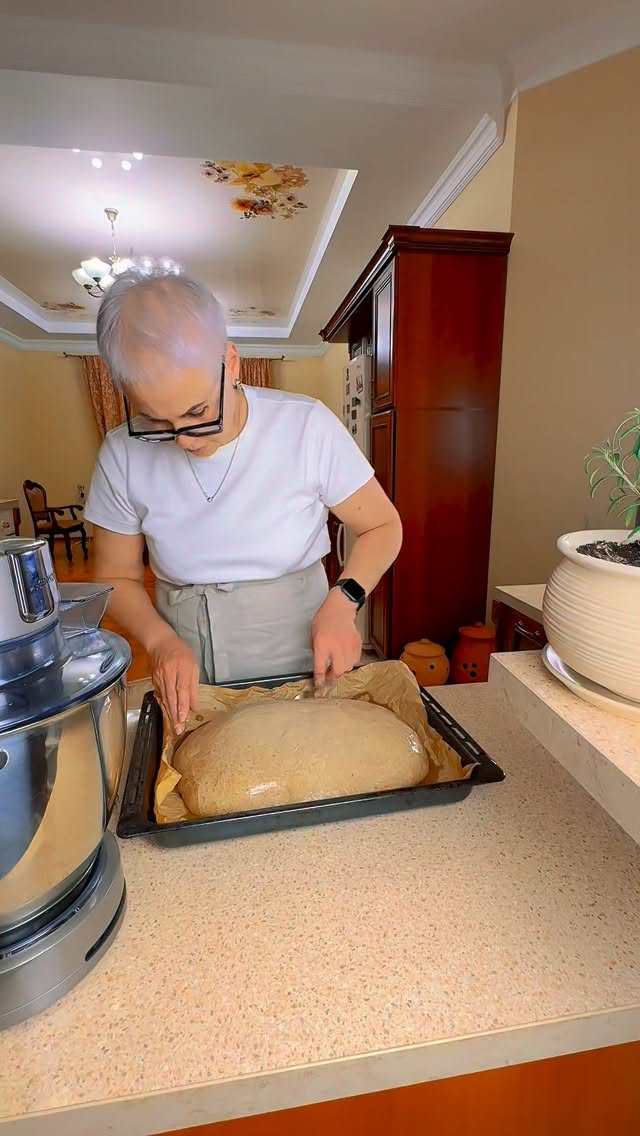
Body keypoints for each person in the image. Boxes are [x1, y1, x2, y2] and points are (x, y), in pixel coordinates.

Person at [85, 263, 402, 733]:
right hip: (189, 655)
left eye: (198, 412)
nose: (184, 440)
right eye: (156, 421)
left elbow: (382, 526)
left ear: (230, 362)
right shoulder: (122, 453)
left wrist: (345, 599)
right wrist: (159, 642)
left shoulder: (305, 426)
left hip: (301, 643)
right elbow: (115, 576)